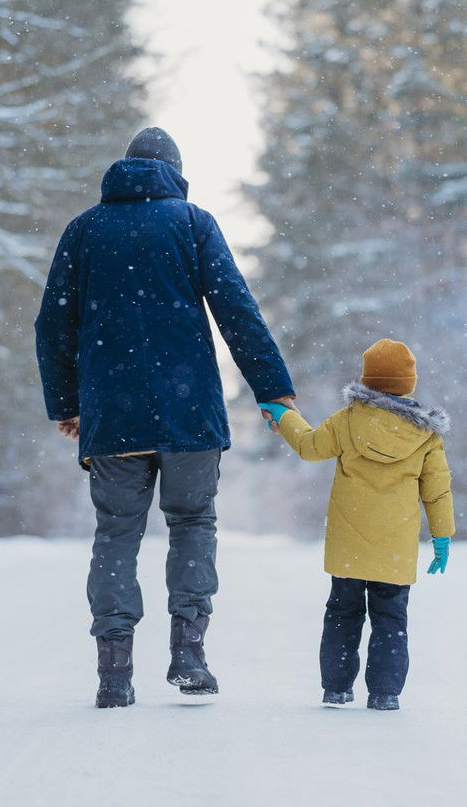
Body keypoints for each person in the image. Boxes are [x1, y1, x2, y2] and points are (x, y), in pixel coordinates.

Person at [34, 127, 296, 709]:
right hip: (189, 415)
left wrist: (68, 403)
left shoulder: (84, 230)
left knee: (117, 534)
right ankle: (189, 652)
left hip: (113, 417)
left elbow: (52, 323)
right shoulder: (192, 222)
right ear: (175, 171)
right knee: (192, 523)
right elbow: (236, 308)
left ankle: (113, 673)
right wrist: (273, 390)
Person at [258, 339, 454, 711]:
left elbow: (309, 446)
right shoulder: (427, 435)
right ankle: (385, 693)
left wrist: (284, 416)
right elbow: (437, 490)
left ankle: (336, 687)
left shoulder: (348, 420)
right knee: (391, 618)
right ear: (409, 383)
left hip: (349, 542)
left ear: (367, 380)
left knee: (342, 613)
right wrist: (443, 535)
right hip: (395, 547)